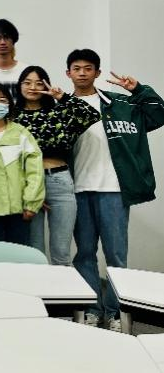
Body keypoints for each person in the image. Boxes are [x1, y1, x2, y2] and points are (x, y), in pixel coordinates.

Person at [66, 49, 164, 331]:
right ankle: (91, 310)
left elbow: (158, 114)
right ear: (68, 73)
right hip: (78, 189)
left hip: (114, 189)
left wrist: (139, 90)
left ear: (97, 73)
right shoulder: (62, 107)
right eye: (76, 68)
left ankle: (115, 313)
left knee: (116, 256)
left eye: (88, 68)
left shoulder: (120, 103)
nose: (82, 73)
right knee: (84, 254)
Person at [14, 66, 99, 266]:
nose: (33, 87)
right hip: (27, 184)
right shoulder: (12, 117)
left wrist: (62, 97)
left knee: (61, 252)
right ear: (19, 86)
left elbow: (92, 115)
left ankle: (62, 287)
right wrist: (31, 191)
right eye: (27, 82)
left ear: (46, 86)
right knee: (34, 252)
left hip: (59, 181)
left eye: (38, 83)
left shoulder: (59, 113)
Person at [0, 82, 44, 245]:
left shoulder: (20, 133)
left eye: (2, 100)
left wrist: (31, 203)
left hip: (18, 210)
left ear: (9, 104)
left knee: (18, 257)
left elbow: (35, 170)